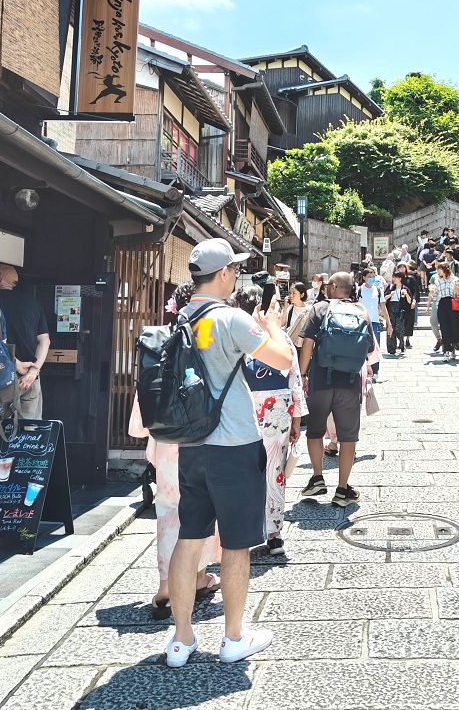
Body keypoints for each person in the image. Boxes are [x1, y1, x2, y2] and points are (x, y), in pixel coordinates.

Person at [165, 238, 295, 668]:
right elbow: (281, 361)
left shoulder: (182, 317)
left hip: (192, 444)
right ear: (222, 275)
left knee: (190, 536)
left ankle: (181, 640)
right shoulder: (231, 318)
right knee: (236, 545)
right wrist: (273, 324)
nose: (236, 276)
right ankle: (233, 637)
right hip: (234, 442)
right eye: (234, 270)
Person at [127, 395, 220, 621]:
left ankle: (167, 585)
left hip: (168, 432)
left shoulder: (163, 355)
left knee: (169, 512)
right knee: (204, 507)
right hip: (203, 430)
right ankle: (197, 577)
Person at [230, 285, 308, 556]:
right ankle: (267, 532)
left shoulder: (239, 336)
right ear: (259, 307)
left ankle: (262, 530)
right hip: (267, 406)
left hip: (257, 407)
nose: (278, 308)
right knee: (265, 470)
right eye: (274, 303)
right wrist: (296, 416)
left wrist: (296, 418)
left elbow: (294, 376)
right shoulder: (274, 337)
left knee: (259, 469)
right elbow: (293, 374)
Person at [298, 271, 377, 507]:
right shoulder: (361, 311)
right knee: (348, 436)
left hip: (321, 380)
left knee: (314, 430)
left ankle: (317, 477)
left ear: (332, 287)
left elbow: (308, 345)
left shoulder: (320, 308)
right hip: (350, 383)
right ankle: (343, 489)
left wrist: (302, 375)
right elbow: (370, 349)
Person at [0, 264, 50, 458]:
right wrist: (34, 370)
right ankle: (23, 472)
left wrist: (14, 363)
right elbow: (44, 340)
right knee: (30, 427)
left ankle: (1, 470)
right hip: (29, 379)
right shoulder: (33, 304)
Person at [430, 261, 459, 361]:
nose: (437, 271)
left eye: (439, 269)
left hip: (453, 304)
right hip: (442, 305)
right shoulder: (437, 280)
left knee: (454, 327)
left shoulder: (455, 279)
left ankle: (453, 349)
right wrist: (432, 293)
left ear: (443, 269)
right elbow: (436, 295)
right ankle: (446, 351)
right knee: (444, 328)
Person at [359, 265, 389, 381]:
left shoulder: (378, 290)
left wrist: (389, 323)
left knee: (375, 348)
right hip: (362, 322)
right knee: (363, 347)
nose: (372, 278)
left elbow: (383, 306)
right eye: (369, 276)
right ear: (364, 278)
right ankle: (365, 372)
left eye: (373, 276)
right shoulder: (359, 289)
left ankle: (376, 373)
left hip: (375, 322)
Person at [384, 269, 414, 355]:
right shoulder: (390, 287)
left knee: (399, 328)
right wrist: (390, 295)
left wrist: (407, 294)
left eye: (395, 277)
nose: (394, 279)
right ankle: (391, 348)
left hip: (400, 309)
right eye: (393, 277)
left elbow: (409, 301)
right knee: (390, 328)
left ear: (400, 278)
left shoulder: (405, 288)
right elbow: (384, 298)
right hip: (391, 308)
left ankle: (401, 343)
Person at [398, 262, 420, 351]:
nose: (402, 269)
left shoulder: (410, 278)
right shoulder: (397, 279)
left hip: (409, 302)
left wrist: (414, 301)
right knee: (400, 322)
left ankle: (407, 339)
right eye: (400, 268)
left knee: (409, 322)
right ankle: (401, 340)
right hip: (400, 302)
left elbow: (415, 291)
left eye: (403, 267)